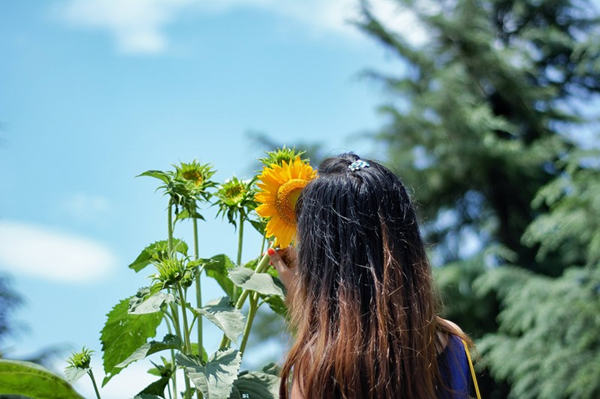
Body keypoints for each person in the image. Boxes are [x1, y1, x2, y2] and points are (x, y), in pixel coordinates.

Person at [266, 153, 480, 399]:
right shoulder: (449, 342)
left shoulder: (317, 365)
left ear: (321, 267)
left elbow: (339, 340)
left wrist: (309, 311)